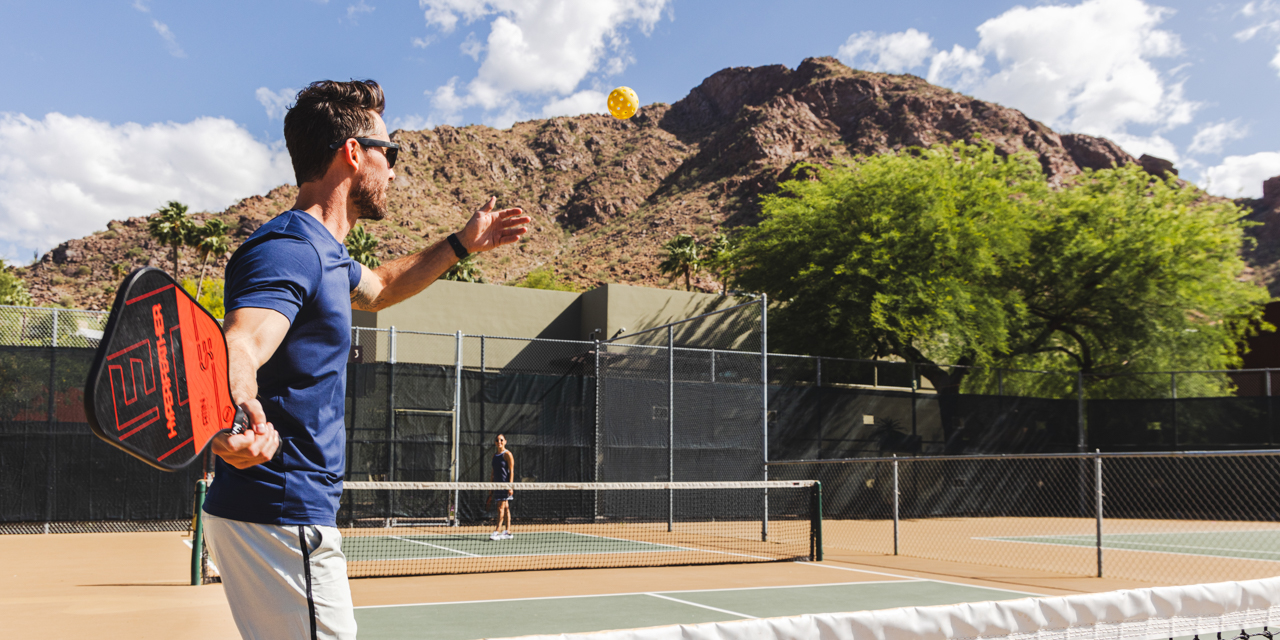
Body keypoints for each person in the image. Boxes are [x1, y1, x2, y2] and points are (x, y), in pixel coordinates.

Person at [199, 79, 529, 640]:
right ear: (353, 153)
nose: (395, 170)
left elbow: (381, 287)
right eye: (389, 152)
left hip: (274, 509)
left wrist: (460, 246)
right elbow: (243, 341)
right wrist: (234, 414)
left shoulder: (326, 253)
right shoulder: (289, 249)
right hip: (283, 506)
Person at [488, 433, 515, 540]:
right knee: (506, 508)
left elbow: (511, 471)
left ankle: (496, 531)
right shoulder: (494, 456)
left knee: (500, 508)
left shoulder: (507, 454)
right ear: (495, 442)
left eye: (501, 440)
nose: (499, 442)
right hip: (497, 485)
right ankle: (508, 532)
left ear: (505, 441)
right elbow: (493, 472)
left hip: (505, 485)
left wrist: (510, 486)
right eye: (497, 440)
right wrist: (491, 486)